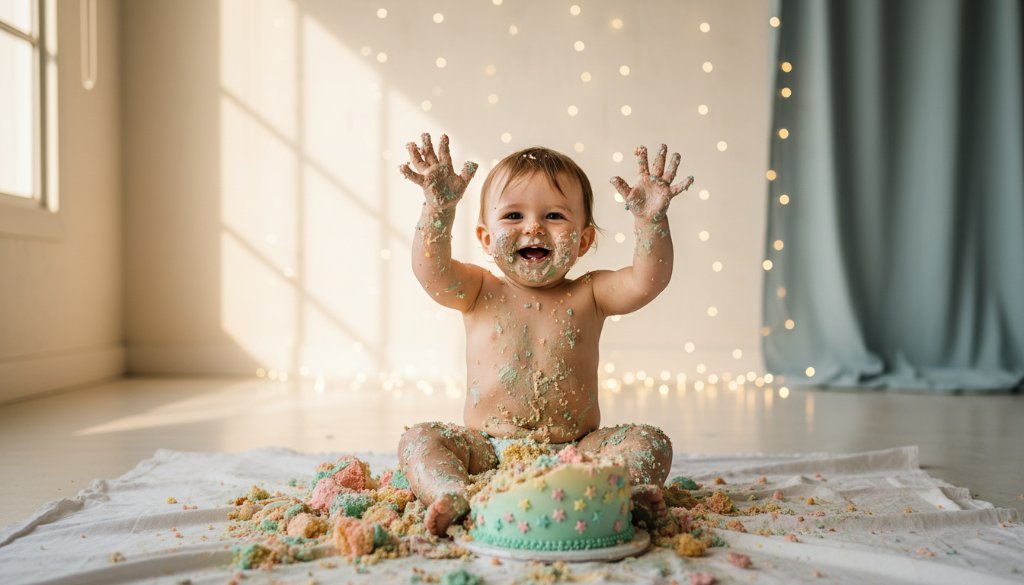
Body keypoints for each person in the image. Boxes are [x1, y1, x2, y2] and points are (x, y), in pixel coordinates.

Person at [397, 133, 693, 536]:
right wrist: (439, 208)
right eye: (513, 216)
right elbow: (430, 271)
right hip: (484, 450)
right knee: (419, 439)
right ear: (486, 238)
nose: (533, 226)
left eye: (554, 216)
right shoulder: (480, 289)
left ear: (585, 239)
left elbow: (647, 280)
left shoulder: (590, 292)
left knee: (651, 441)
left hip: (578, 453)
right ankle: (452, 492)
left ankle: (622, 490)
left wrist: (650, 221)